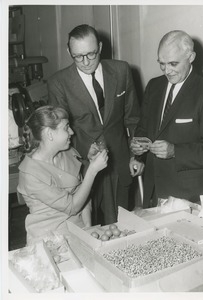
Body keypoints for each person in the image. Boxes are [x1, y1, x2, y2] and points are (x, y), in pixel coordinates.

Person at [47, 24, 143, 225]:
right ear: (69, 52)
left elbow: (133, 118)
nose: (85, 62)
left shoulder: (121, 70)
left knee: (121, 227)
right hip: (82, 167)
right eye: (78, 56)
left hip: (119, 163)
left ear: (100, 47)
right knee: (87, 229)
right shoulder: (59, 83)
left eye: (91, 54)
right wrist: (83, 149)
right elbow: (59, 132)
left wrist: (137, 155)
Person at [131, 30, 203, 208]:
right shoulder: (154, 86)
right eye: (162, 64)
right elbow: (144, 128)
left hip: (192, 197)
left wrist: (175, 151)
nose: (167, 71)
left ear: (191, 57)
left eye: (173, 63)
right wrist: (138, 150)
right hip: (156, 192)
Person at [17, 105, 108, 245]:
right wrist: (92, 170)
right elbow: (72, 207)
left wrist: (88, 229)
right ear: (49, 134)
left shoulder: (68, 153)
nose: (71, 132)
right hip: (49, 240)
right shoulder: (30, 173)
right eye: (66, 127)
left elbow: (84, 195)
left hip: (79, 231)